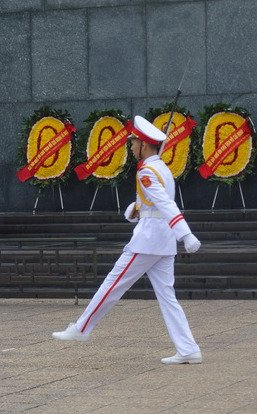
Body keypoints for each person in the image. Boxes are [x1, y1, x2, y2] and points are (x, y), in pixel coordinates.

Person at [52, 115, 203, 365]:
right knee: (167, 297)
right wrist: (134, 210)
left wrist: (185, 233)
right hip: (161, 240)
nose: (131, 147)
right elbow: (152, 203)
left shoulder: (148, 171)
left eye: (133, 143)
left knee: (113, 284)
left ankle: (82, 328)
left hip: (149, 239)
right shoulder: (160, 168)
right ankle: (188, 349)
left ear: (144, 145)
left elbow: (166, 204)